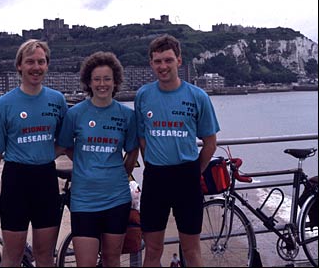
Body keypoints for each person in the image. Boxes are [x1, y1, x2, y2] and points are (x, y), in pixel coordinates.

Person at [0, 39, 68, 267]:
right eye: (30, 62)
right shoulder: (4, 104)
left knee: (44, 254)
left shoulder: (57, 101)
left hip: (46, 179)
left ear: (47, 65)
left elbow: (67, 142)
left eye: (41, 61)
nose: (36, 67)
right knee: (12, 254)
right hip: (16, 181)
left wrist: (48, 151)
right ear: (19, 66)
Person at [134, 34, 220, 267]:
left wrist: (195, 172)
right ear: (151, 63)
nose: (163, 66)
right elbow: (142, 139)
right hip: (155, 177)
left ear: (179, 61)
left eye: (168, 60)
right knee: (152, 250)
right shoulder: (143, 95)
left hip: (187, 177)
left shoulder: (197, 96)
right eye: (158, 61)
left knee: (191, 250)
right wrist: (151, 163)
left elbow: (210, 143)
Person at [57, 51, 139, 267]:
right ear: (89, 82)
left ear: (115, 82)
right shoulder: (75, 114)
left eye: (107, 79)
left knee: (112, 260)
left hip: (117, 199)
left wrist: (122, 172)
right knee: (86, 263)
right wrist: (85, 161)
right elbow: (65, 146)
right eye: (97, 79)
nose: (102, 84)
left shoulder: (127, 116)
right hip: (84, 200)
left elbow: (132, 150)